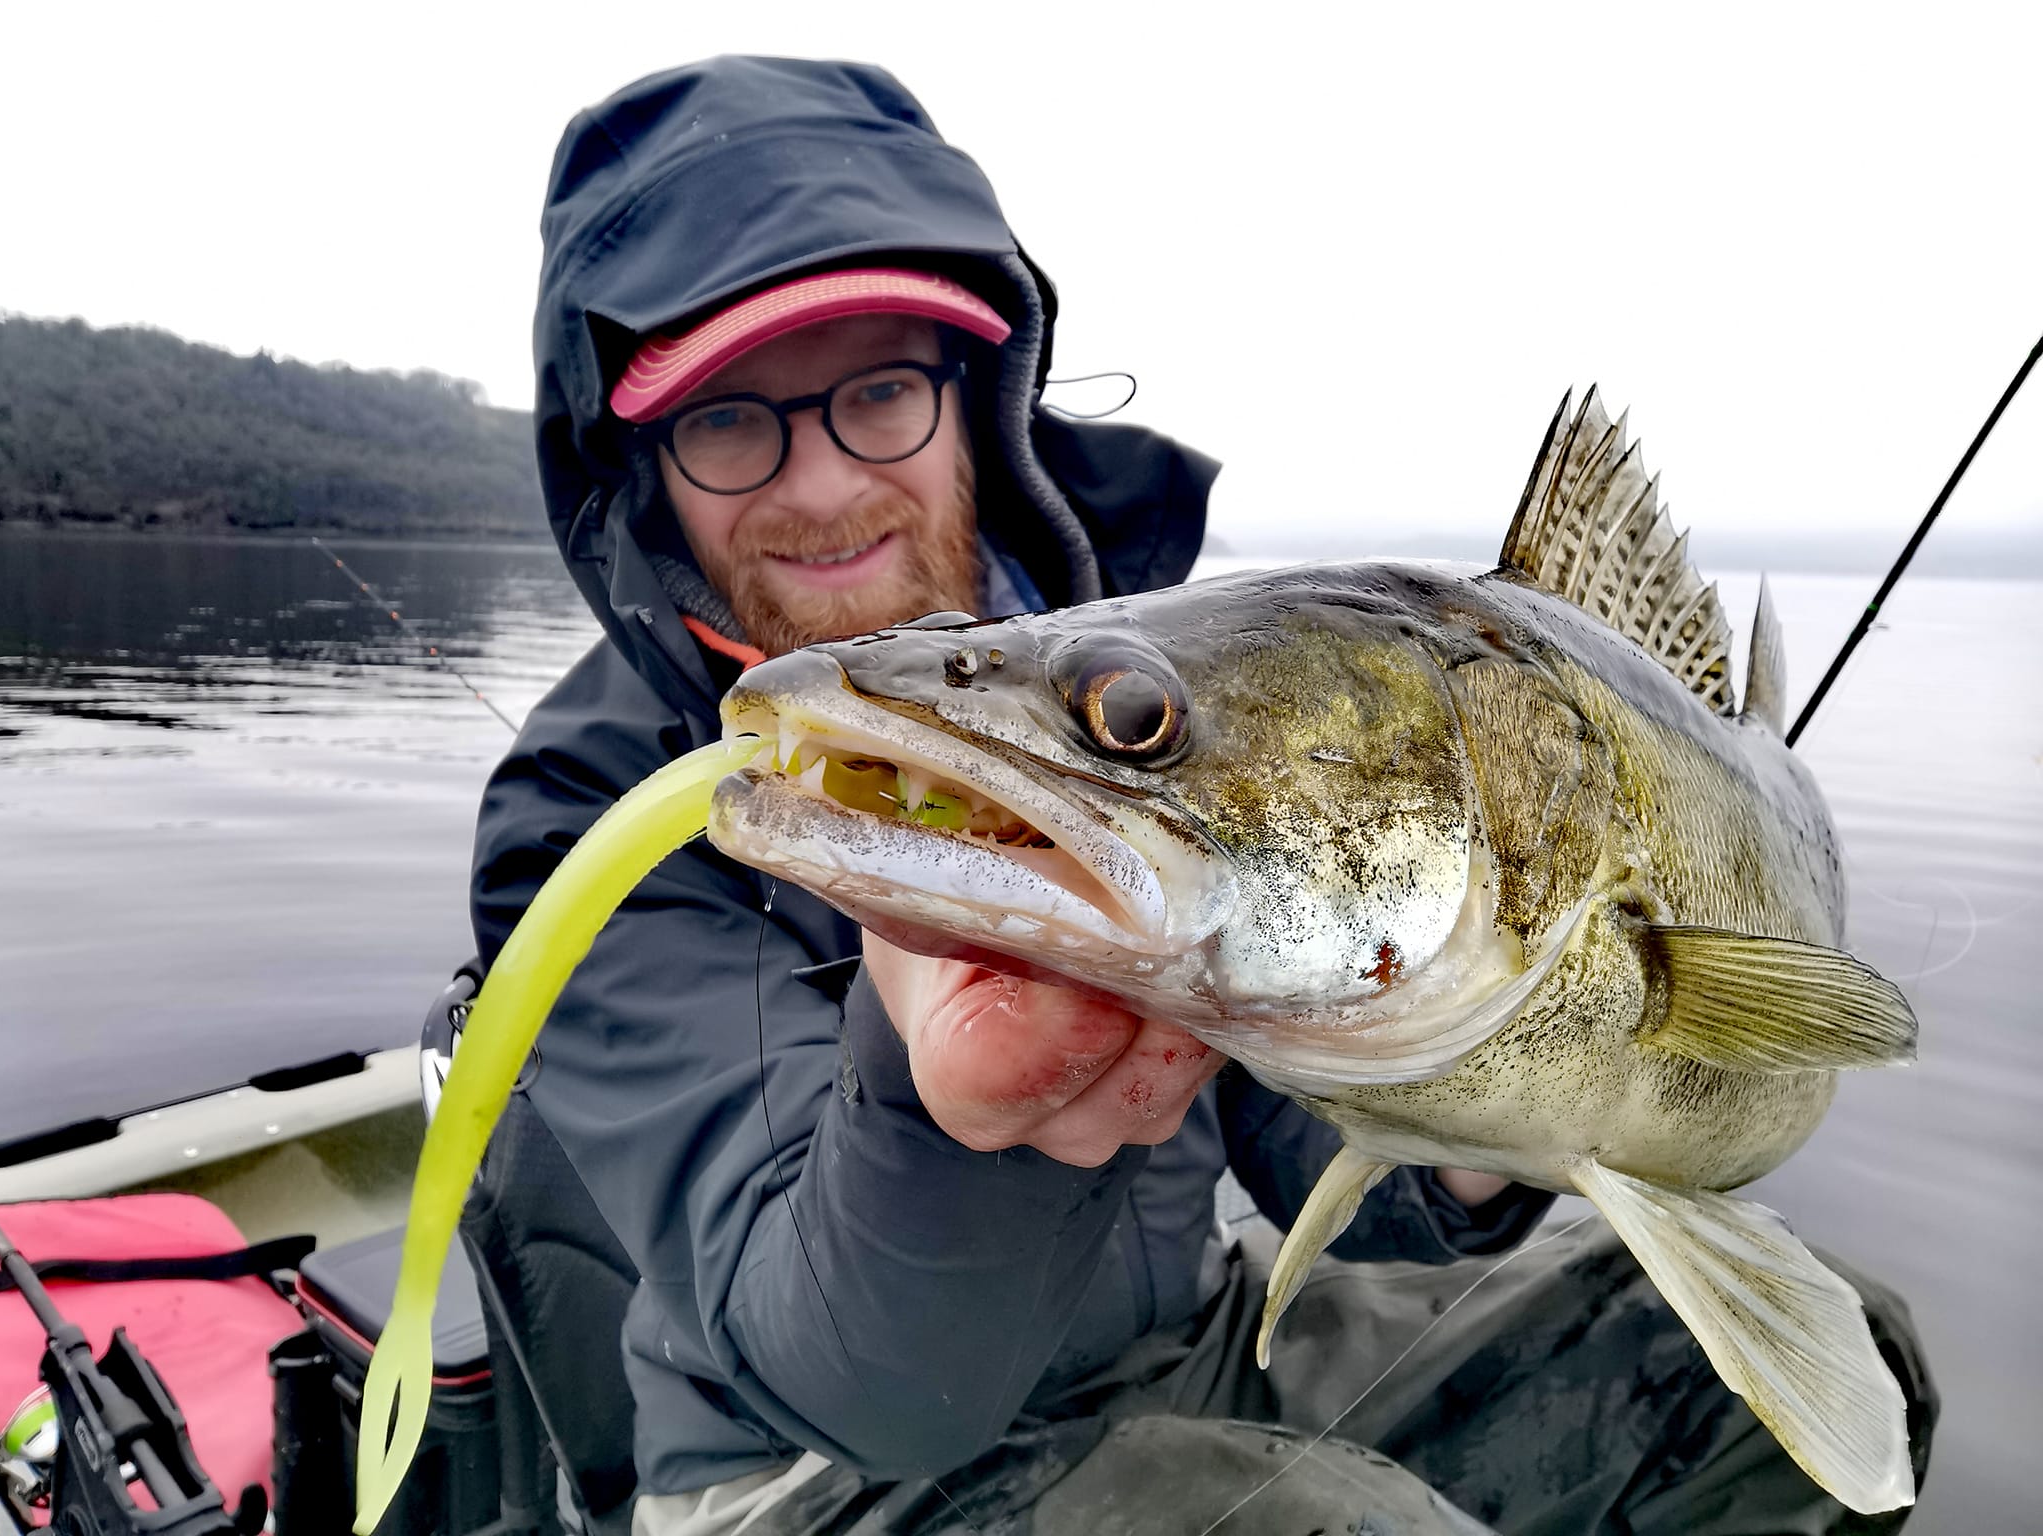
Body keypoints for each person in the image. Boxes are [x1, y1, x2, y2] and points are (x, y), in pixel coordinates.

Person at [465, 56, 1934, 1536]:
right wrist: (942, 1095)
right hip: (817, 1476)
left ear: (980, 398)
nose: (826, 485)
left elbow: (1323, 1148)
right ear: (640, 469)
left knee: (1823, 1356)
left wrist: (1496, 1099)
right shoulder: (580, 810)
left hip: (1200, 1356)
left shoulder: (1171, 662)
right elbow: (857, 1381)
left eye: (882, 391)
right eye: (728, 420)